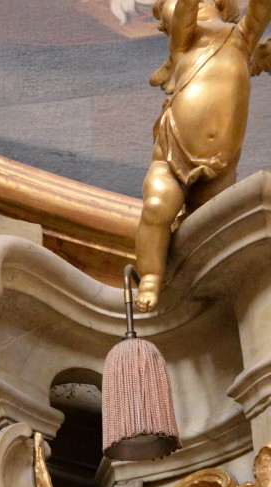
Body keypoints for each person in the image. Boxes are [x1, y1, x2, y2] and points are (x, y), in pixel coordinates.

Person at [135, 0, 271, 312]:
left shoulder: (242, 40)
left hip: (222, 163)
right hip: (173, 154)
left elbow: (261, 10)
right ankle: (151, 277)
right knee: (156, 208)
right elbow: (185, 12)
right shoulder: (183, 44)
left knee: (212, 232)